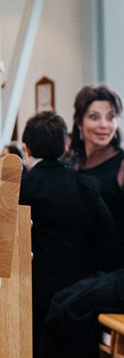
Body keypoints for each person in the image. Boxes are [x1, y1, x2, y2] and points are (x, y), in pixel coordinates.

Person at [19, 111, 122, 358]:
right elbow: (108, 242)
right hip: (77, 292)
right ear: (66, 145)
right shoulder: (86, 186)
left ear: (26, 148)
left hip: (28, 292)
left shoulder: (21, 189)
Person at [67, 84, 124, 251]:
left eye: (110, 117)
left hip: (114, 269)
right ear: (79, 123)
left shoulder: (121, 164)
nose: (104, 125)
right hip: (78, 262)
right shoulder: (71, 164)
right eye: (94, 117)